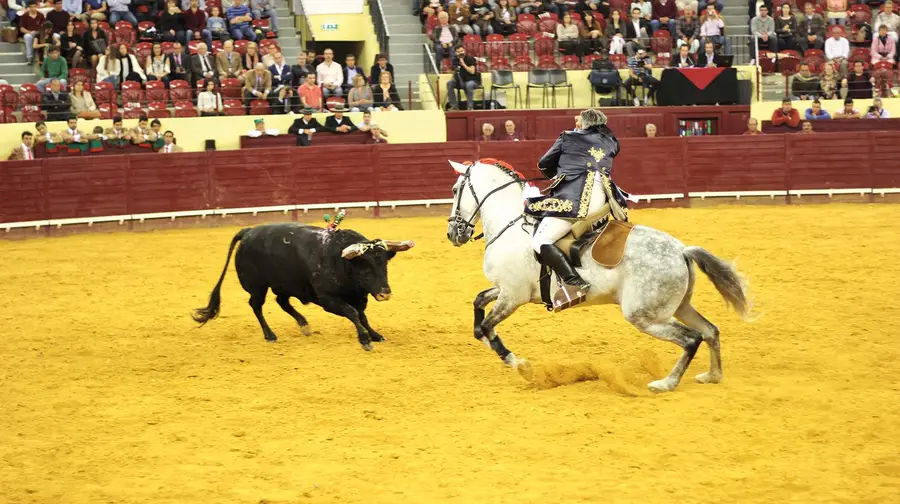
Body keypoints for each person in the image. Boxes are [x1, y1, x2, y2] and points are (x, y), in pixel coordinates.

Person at [525, 109, 628, 311]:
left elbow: (544, 164)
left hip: (576, 197)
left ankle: (574, 282)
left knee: (540, 240)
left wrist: (560, 172)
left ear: (585, 123)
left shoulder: (568, 136)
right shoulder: (611, 141)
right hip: (604, 201)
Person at [446, 45, 478, 110]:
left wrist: (463, 64)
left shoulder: (470, 59)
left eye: (462, 51)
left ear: (464, 51)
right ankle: (454, 105)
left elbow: (472, 71)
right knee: (449, 83)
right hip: (460, 81)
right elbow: (454, 71)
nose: (461, 53)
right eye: (458, 52)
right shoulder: (455, 60)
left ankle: (470, 107)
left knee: (468, 85)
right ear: (455, 53)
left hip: (472, 81)